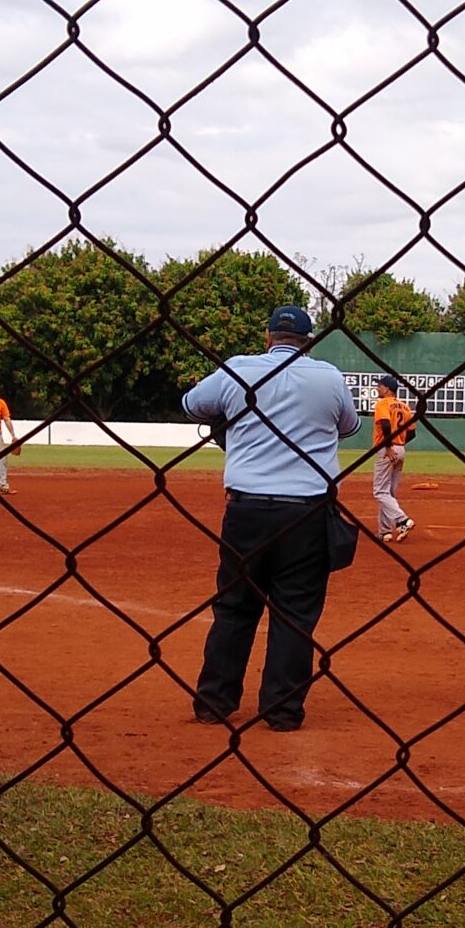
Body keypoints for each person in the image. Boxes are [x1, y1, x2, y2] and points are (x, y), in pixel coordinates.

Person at [182, 304, 360, 733]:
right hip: (307, 512)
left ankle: (214, 703)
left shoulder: (238, 369)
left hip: (245, 509)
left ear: (267, 336)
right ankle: (282, 711)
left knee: (235, 608)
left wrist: (234, 418)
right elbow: (349, 427)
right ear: (308, 339)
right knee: (295, 614)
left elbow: (191, 405)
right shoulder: (329, 376)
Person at [371, 374, 415, 542]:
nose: (377, 388)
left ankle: (403, 520)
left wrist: (389, 446)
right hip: (400, 449)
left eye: (380, 386)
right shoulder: (405, 407)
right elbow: (412, 432)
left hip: (387, 449)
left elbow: (386, 424)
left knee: (380, 491)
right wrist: (399, 443)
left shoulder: (383, 403)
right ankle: (385, 531)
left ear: (388, 389)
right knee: (388, 493)